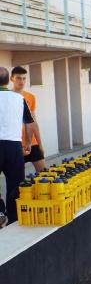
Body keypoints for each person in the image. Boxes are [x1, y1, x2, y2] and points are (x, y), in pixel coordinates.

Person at [0, 66, 34, 227]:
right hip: (14, 146)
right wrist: (27, 144)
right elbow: (29, 123)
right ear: (9, 80)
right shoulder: (19, 99)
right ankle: (13, 219)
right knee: (15, 184)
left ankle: (0, 212)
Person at [11, 66, 46, 172]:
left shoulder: (30, 97)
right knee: (18, 179)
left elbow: (34, 122)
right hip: (16, 144)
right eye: (18, 78)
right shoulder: (7, 97)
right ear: (12, 78)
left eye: (24, 78)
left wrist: (40, 144)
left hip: (32, 142)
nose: (21, 81)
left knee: (44, 174)